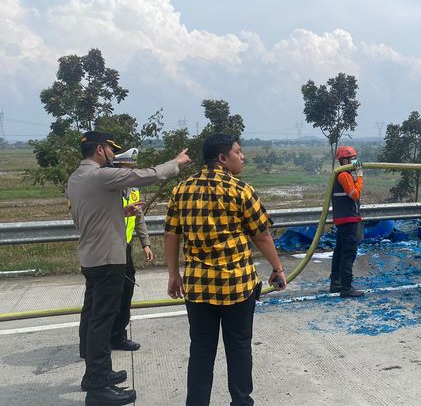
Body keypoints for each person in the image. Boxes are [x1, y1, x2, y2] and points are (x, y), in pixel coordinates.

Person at [67, 131, 189, 405]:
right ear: (100, 150)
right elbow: (144, 175)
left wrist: (121, 213)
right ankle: (98, 387)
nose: (113, 153)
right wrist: (175, 162)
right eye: (111, 148)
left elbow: (89, 214)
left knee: (95, 315)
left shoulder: (76, 178)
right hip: (108, 259)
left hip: (91, 257)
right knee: (102, 321)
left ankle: (97, 374)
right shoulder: (100, 175)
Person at [164, 133, 287, 406]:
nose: (242, 157)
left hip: (198, 288)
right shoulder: (241, 190)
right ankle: (241, 402)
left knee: (201, 351)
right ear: (222, 158)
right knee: (239, 347)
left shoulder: (181, 190)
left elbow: (171, 234)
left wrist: (174, 274)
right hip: (237, 287)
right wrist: (278, 269)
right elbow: (262, 236)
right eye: (238, 152)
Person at [109, 148, 152, 352]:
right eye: (128, 168)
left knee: (126, 291)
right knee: (110, 295)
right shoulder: (109, 188)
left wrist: (146, 244)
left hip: (124, 247)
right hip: (108, 247)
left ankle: (118, 336)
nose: (132, 172)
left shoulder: (133, 189)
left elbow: (138, 218)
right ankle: (105, 337)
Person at [329, 146, 365, 297]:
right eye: (352, 158)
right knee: (348, 253)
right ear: (344, 160)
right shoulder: (344, 175)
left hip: (344, 219)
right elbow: (355, 194)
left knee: (340, 252)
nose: (354, 161)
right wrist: (360, 176)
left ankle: (336, 283)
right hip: (348, 220)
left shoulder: (343, 174)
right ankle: (346, 288)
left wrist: (356, 177)